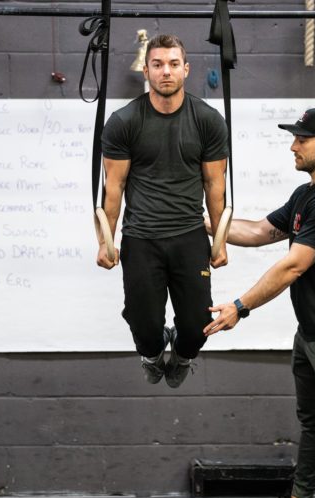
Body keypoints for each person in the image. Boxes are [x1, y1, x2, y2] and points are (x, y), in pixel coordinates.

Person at [202, 108, 315, 498]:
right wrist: (208, 222)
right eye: (294, 138)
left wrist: (240, 307)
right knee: (314, 422)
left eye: (302, 139)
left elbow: (293, 266)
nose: (293, 146)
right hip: (312, 332)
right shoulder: (306, 196)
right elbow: (262, 231)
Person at [97, 34, 229, 388]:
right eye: (157, 64)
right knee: (144, 323)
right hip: (141, 237)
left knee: (197, 325)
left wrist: (220, 241)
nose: (165, 72)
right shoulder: (124, 121)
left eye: (173, 64)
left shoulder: (207, 120)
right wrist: (104, 241)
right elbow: (114, 189)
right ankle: (153, 355)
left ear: (185, 69)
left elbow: (215, 186)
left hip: (189, 236)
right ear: (146, 70)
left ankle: (183, 356)